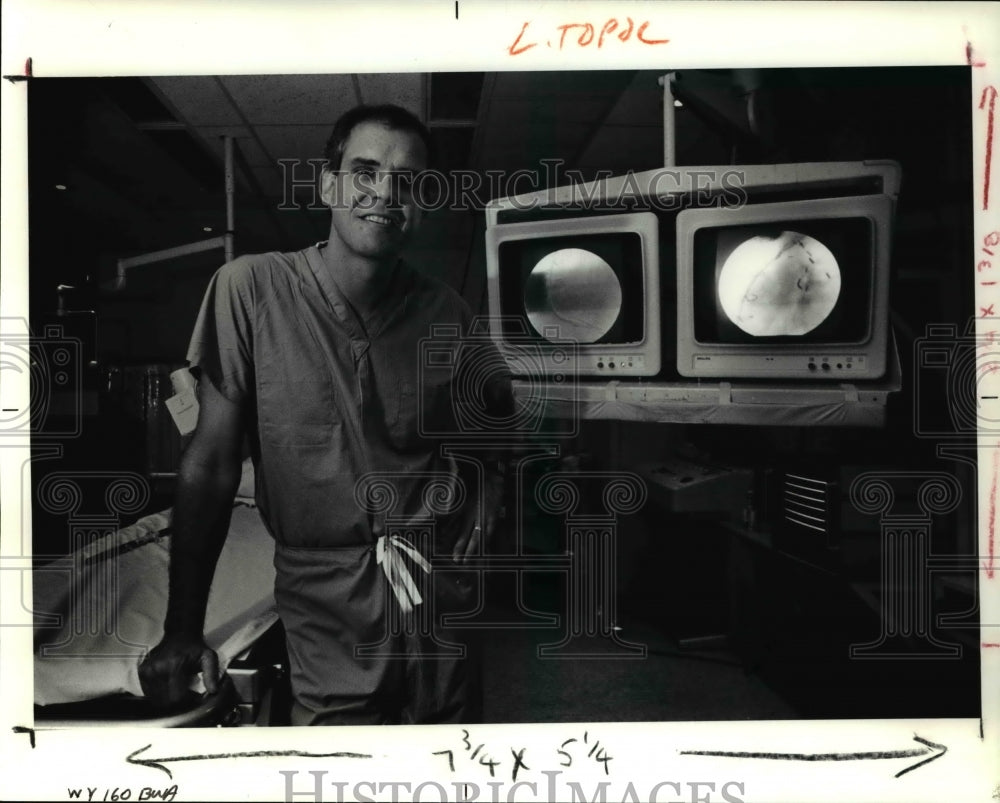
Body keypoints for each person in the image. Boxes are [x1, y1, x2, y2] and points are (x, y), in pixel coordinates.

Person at [138, 104, 509, 725]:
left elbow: (493, 409)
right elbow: (211, 463)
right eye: (365, 172)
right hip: (325, 596)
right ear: (328, 185)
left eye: (408, 181)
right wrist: (182, 629)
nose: (384, 193)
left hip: (437, 584)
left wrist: (492, 478)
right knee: (339, 756)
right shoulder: (251, 291)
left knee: (448, 750)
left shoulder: (446, 313)